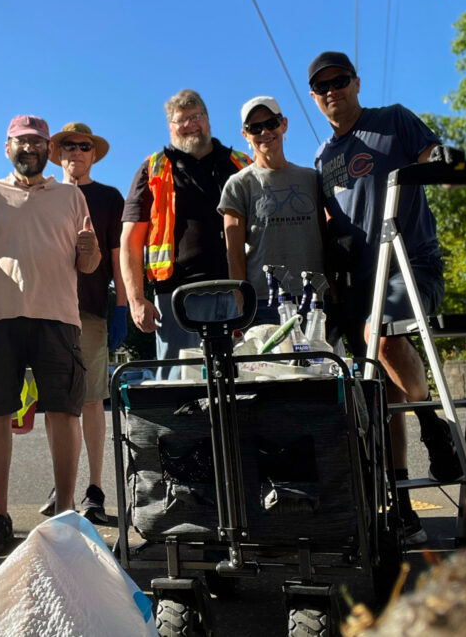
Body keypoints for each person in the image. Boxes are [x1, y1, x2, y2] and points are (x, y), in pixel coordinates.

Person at [309, 50, 462, 545]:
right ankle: (402, 509)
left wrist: (442, 160)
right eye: (323, 86)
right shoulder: (323, 159)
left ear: (356, 82)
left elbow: (431, 158)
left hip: (410, 266)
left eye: (340, 81)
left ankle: (431, 424)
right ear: (315, 98)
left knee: (384, 336)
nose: (333, 90)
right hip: (360, 283)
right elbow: (331, 226)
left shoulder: (392, 121)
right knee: (379, 396)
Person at [0, 115, 100, 556]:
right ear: (7, 148)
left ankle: (64, 512)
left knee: (64, 412)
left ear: (49, 151)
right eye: (21, 142)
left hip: (58, 317)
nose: (30, 148)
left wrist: (91, 251)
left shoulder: (72, 195)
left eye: (38, 142)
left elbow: (89, 263)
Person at [120, 90, 251, 372]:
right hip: (177, 297)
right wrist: (136, 299)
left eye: (196, 116)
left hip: (238, 291)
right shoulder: (153, 169)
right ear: (170, 127)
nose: (190, 124)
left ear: (208, 119)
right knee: (179, 388)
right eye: (182, 120)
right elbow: (130, 241)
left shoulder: (241, 164)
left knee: (242, 380)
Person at [38, 122, 127, 524]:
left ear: (93, 154)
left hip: (90, 311)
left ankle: (94, 488)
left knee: (91, 400)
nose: (76, 151)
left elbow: (118, 254)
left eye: (84, 146)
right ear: (57, 154)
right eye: (68, 146)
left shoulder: (108, 197)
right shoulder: (42, 195)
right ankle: (64, 486)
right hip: (45, 312)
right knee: (57, 404)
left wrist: (122, 305)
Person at [220, 96, 326, 324]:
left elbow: (325, 237)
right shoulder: (239, 184)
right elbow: (234, 253)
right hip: (264, 302)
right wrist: (241, 301)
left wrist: (334, 291)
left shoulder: (311, 179)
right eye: (255, 128)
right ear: (245, 135)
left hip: (315, 299)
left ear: (284, 124)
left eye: (271, 123)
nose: (264, 132)